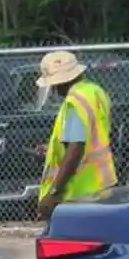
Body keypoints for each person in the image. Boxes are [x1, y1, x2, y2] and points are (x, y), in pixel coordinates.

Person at [34, 49, 116, 217]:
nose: (55, 90)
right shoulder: (95, 91)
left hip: (80, 190)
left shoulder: (74, 102)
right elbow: (92, 135)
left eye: (54, 84)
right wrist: (51, 148)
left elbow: (76, 148)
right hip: (102, 182)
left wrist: (54, 193)